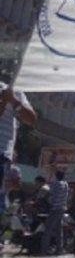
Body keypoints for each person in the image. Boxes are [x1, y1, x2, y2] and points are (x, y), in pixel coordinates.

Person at [0, 83, 36, 214]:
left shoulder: (14, 90)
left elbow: (31, 119)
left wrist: (13, 101)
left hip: (2, 153)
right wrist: (4, 101)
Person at [40, 170, 69, 255]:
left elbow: (50, 194)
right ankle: (59, 249)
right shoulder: (66, 184)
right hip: (62, 208)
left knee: (48, 229)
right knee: (58, 230)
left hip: (55, 208)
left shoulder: (56, 184)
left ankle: (44, 249)